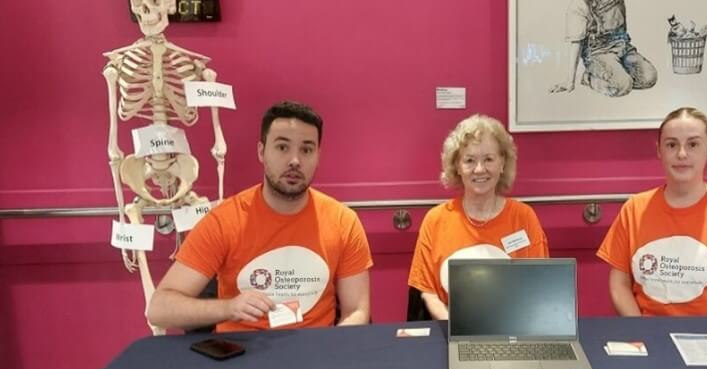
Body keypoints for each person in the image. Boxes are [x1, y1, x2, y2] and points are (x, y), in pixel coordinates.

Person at [147, 101, 372, 332]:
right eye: (283, 147)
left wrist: (334, 352)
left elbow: (357, 310)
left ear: (318, 156)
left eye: (306, 150)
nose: (295, 161)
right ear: (261, 152)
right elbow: (159, 309)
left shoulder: (343, 222)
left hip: (315, 352)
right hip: (240, 354)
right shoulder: (224, 221)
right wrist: (228, 308)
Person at [597, 106, 707, 316]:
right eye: (672, 145)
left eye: (693, 144)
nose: (682, 154)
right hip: (645, 336)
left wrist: (704, 336)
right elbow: (619, 285)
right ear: (659, 150)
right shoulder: (634, 209)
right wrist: (640, 330)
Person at [407, 114, 548, 321]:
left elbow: (538, 287)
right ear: (457, 166)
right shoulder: (435, 220)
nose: (479, 169)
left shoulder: (524, 217)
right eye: (470, 160)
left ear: (502, 164)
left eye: (489, 159)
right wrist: (455, 327)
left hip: (512, 329)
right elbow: (427, 293)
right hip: (449, 328)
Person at [550, 0, 661, 97]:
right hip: (598, 53)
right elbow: (576, 44)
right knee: (623, 85)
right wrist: (570, 80)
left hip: (623, 46)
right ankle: (588, 78)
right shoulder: (579, 4)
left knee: (649, 78)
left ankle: (616, 73)